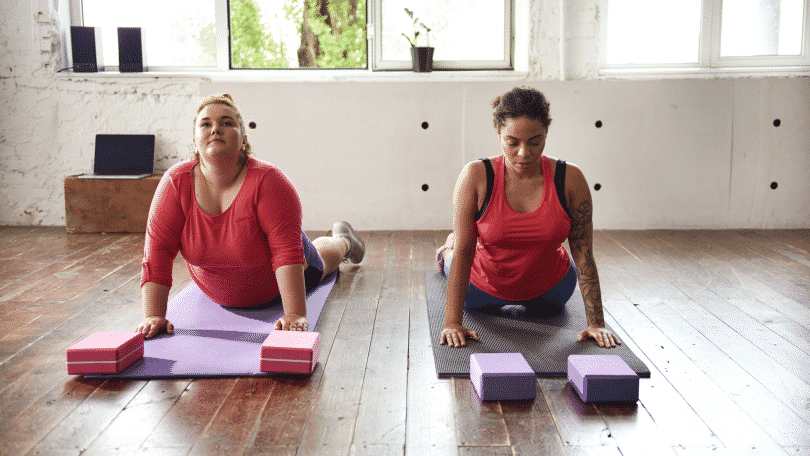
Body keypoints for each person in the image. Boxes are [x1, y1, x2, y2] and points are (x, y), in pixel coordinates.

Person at [137, 94, 365, 339]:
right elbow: (157, 252)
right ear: (195, 142)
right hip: (217, 288)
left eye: (227, 123)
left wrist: (295, 313)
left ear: (244, 140)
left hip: (281, 283)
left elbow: (287, 253)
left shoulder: (270, 182)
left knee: (321, 261)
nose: (215, 129)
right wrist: (153, 314)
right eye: (206, 124)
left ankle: (344, 241)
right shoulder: (174, 183)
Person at [438, 87, 621, 349]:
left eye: (535, 142)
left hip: (550, 293)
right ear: (499, 133)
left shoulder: (570, 179)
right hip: (481, 289)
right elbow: (467, 252)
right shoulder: (476, 176)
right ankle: (446, 249)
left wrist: (597, 323)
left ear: (546, 133)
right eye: (512, 143)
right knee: (457, 250)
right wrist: (452, 322)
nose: (524, 153)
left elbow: (583, 253)